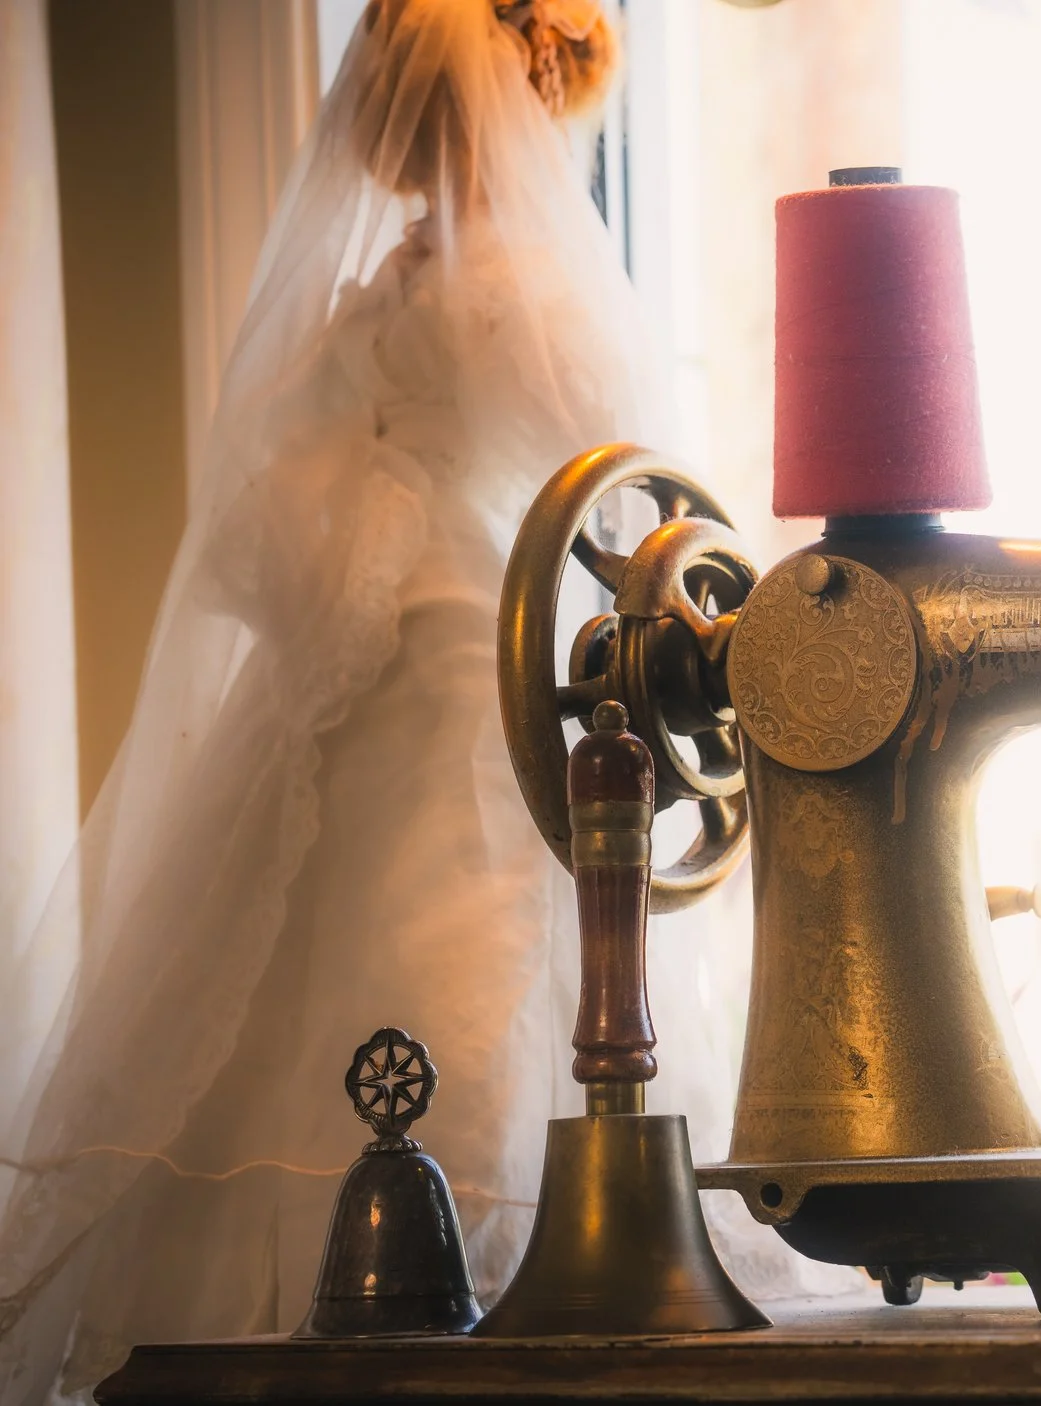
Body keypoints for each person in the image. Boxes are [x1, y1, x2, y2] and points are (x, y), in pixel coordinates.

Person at [0, 3, 706, 1398]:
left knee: (372, 952)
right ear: (537, 76)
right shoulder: (518, 283)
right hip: (451, 671)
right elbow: (632, 490)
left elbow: (299, 495)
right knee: (413, 938)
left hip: (425, 662)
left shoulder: (385, 293)